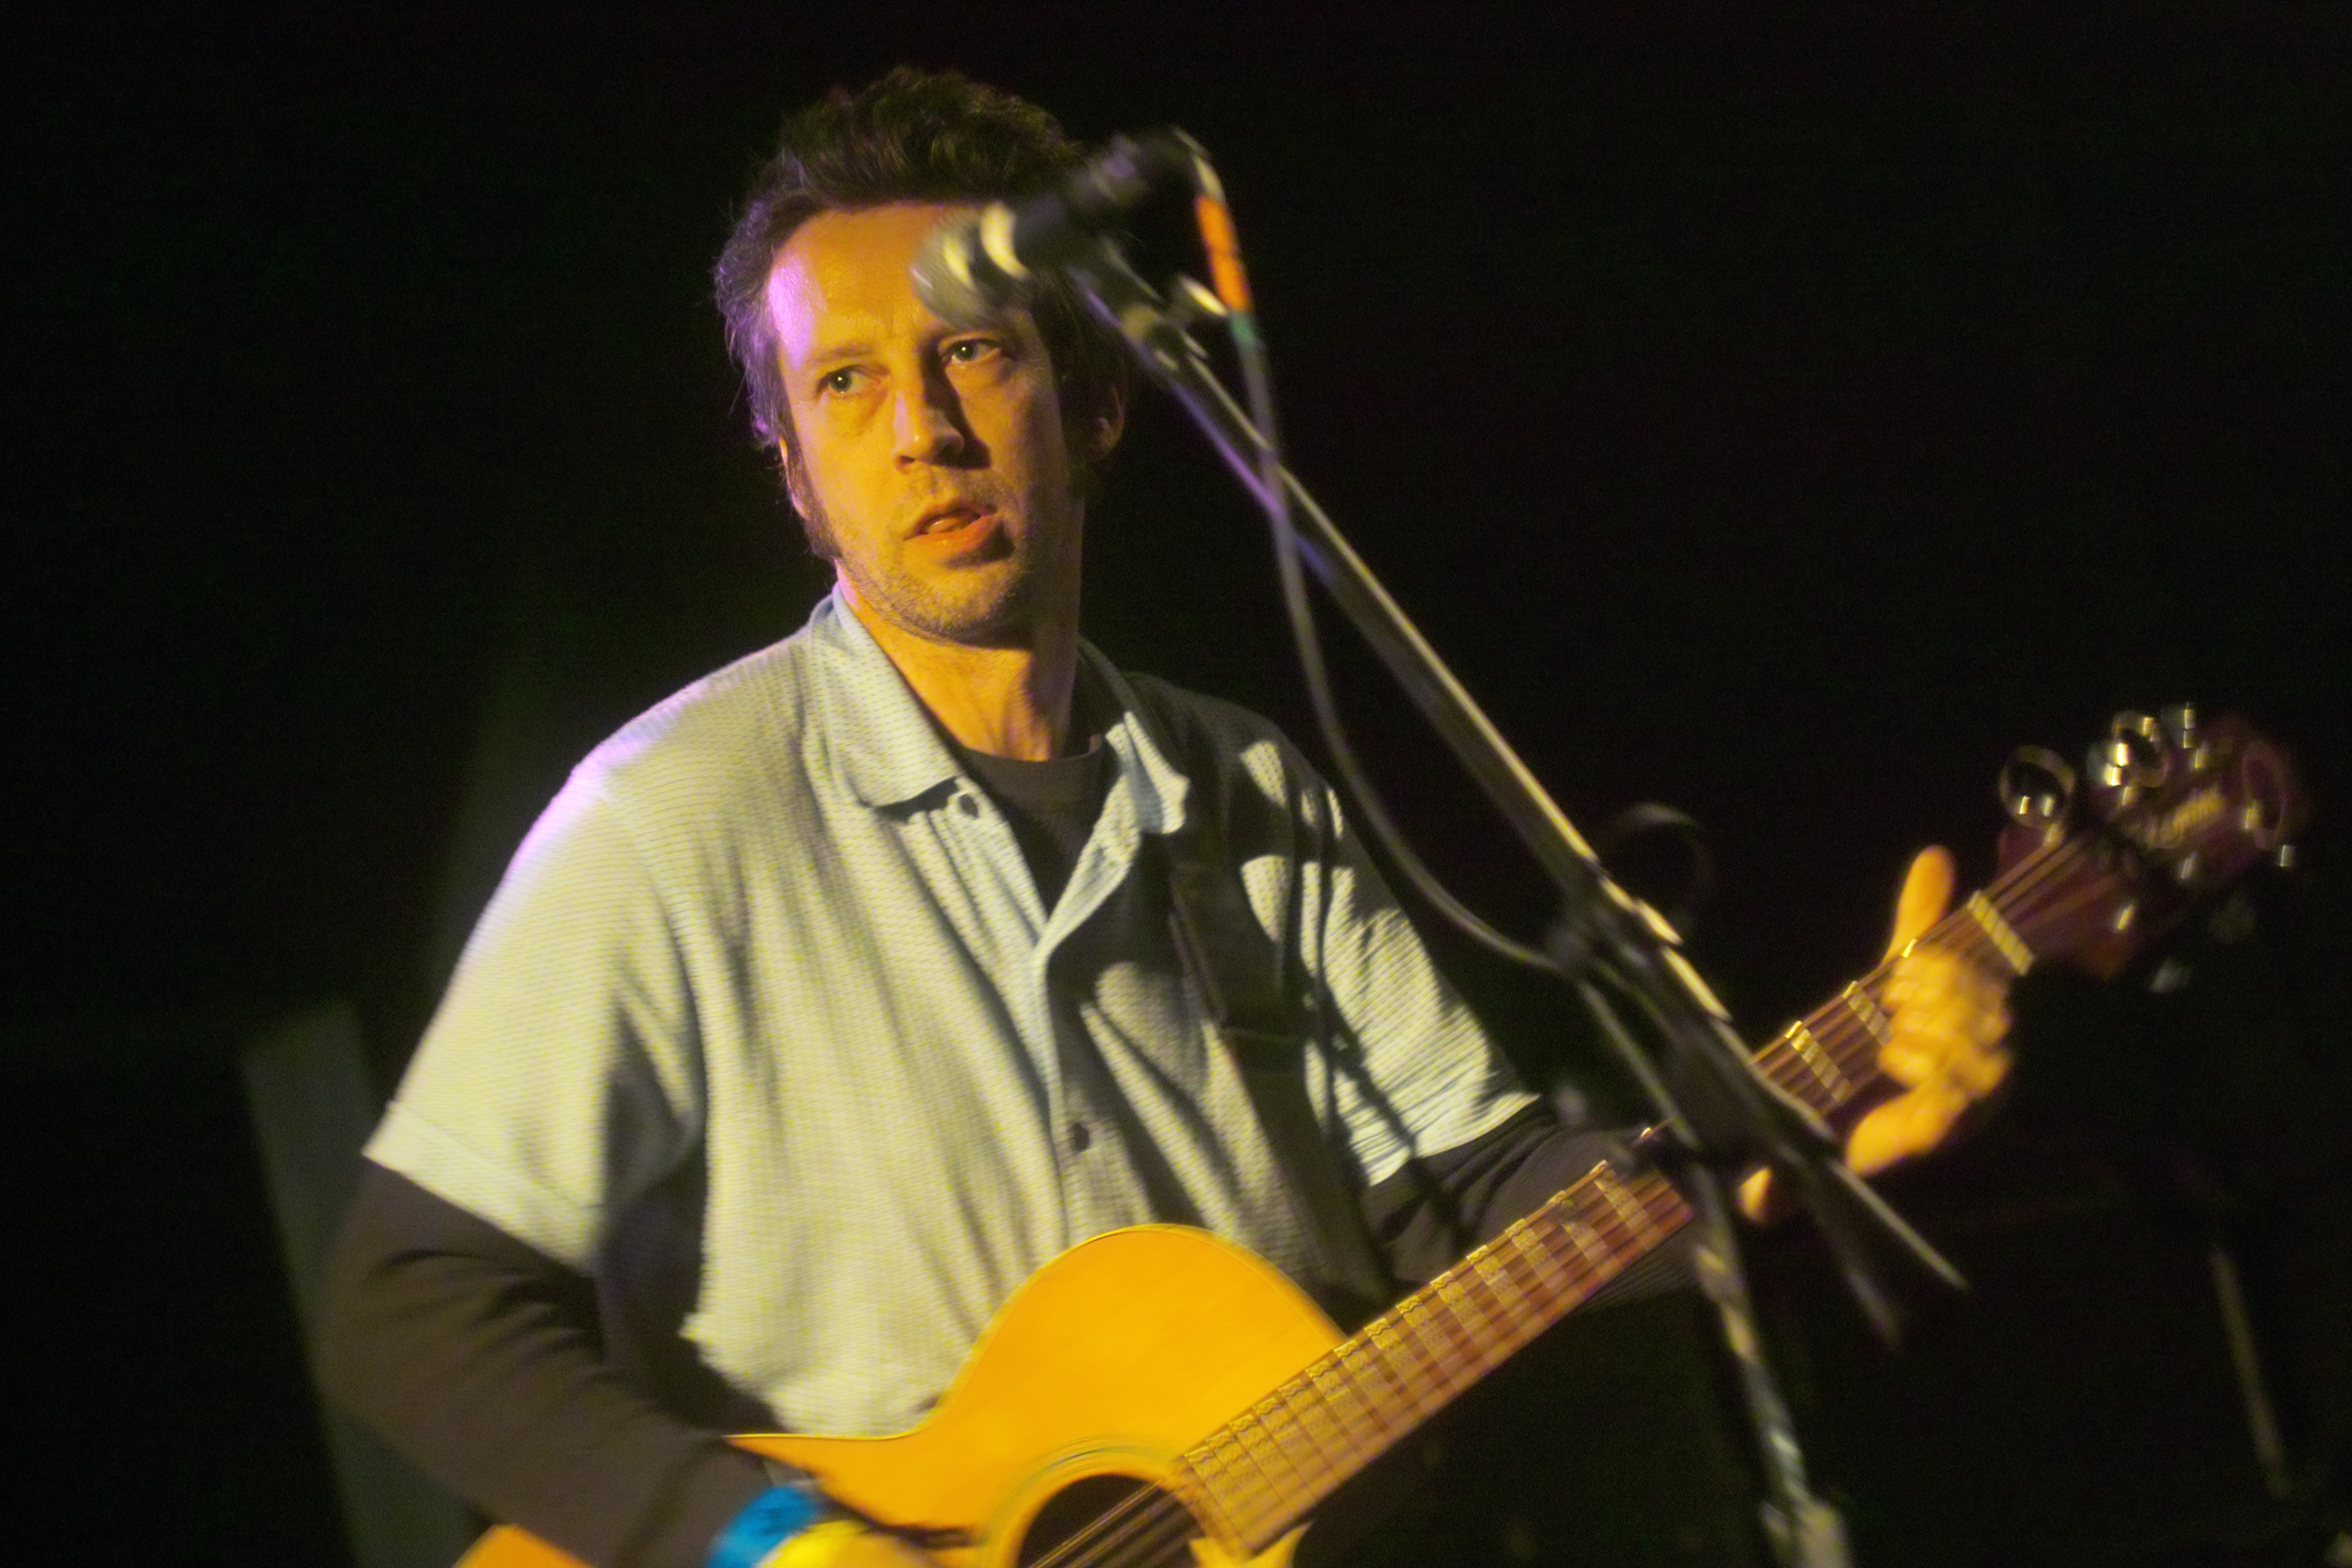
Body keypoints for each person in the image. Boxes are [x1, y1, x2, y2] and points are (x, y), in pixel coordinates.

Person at [320, 67, 2013, 1568]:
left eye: (972, 351)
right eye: (844, 384)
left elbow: (1467, 1199)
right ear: (793, 473)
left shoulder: (1247, 789)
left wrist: (1792, 1146)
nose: (922, 430)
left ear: (1099, 402)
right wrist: (772, 1540)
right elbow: (406, 1303)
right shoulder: (670, 818)